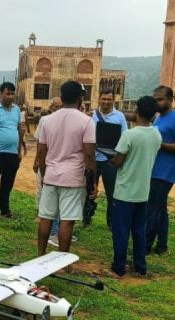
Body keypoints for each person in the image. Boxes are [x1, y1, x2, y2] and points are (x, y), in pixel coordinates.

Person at [35, 80, 96, 255]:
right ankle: (62, 261)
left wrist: (46, 173)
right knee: (67, 220)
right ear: (80, 98)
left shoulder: (47, 120)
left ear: (61, 97)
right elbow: (89, 155)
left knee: (45, 216)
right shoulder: (86, 122)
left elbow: (41, 151)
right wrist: (91, 181)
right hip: (74, 177)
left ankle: (40, 255)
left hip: (52, 175)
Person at [107, 96, 161, 278]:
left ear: (137, 112)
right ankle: (140, 266)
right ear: (153, 114)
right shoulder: (156, 134)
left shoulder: (129, 135)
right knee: (139, 231)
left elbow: (119, 161)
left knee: (120, 231)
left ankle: (118, 267)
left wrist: (111, 160)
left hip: (124, 192)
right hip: (142, 192)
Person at [146, 85, 175, 255]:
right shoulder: (158, 118)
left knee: (153, 209)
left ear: (171, 99)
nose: (157, 102)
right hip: (155, 169)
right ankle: (162, 246)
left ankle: (145, 247)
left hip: (165, 172)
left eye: (160, 99)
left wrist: (160, 145)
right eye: (155, 99)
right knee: (160, 209)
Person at [91, 89, 129, 229]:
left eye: (109, 99)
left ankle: (111, 222)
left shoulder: (119, 117)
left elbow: (125, 137)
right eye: (103, 99)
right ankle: (86, 217)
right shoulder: (92, 116)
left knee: (111, 193)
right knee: (89, 190)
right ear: (99, 99)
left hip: (110, 161)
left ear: (114, 100)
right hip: (93, 160)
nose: (106, 102)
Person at [0, 82, 24, 219]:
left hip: (12, 154)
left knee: (7, 183)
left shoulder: (16, 109)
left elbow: (18, 128)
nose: (11, 96)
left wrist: (19, 150)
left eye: (12, 93)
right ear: (1, 94)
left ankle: (5, 210)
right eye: (7, 93)